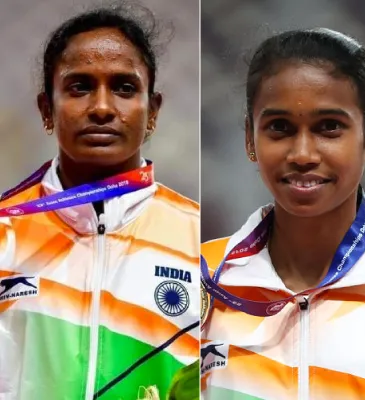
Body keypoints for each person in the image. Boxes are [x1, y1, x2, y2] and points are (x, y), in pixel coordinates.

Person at [0, 4, 201, 400]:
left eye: (125, 88)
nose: (103, 108)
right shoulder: (5, 232)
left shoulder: (204, 244)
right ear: (47, 110)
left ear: (153, 111)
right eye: (79, 87)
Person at [199, 28, 365, 400]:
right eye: (280, 128)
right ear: (249, 138)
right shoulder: (203, 278)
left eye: (329, 128)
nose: (303, 154)